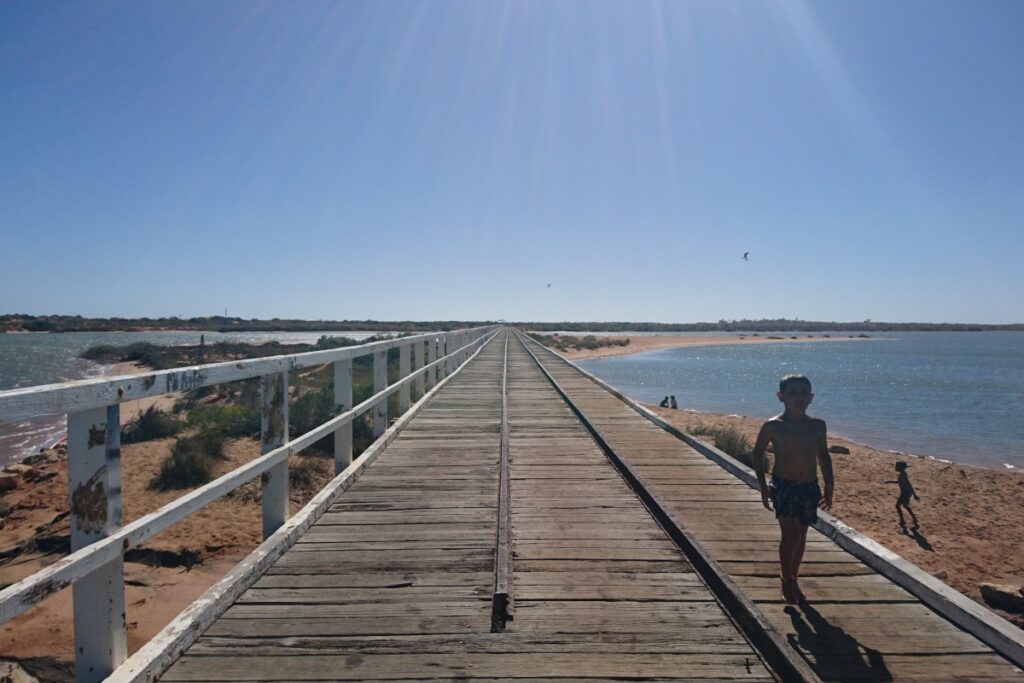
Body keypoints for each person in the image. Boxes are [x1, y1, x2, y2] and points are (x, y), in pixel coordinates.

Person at [752, 374, 834, 604]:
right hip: (783, 486)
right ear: (781, 396)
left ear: (811, 397)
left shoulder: (817, 426)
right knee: (791, 534)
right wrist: (762, 487)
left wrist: (829, 485)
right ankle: (785, 579)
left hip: (808, 486)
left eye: (803, 393)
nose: (798, 397)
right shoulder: (773, 426)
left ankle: (794, 577)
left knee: (802, 535)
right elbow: (757, 454)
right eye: (793, 393)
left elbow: (823, 455)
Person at [886, 461, 920, 530]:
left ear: (901, 468)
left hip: (906, 492)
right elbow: (902, 482)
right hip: (905, 492)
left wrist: (914, 495)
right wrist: (889, 481)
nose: (895, 467)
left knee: (898, 506)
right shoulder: (902, 474)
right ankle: (913, 519)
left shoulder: (903, 474)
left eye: (897, 466)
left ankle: (903, 521)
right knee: (904, 505)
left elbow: (909, 485)